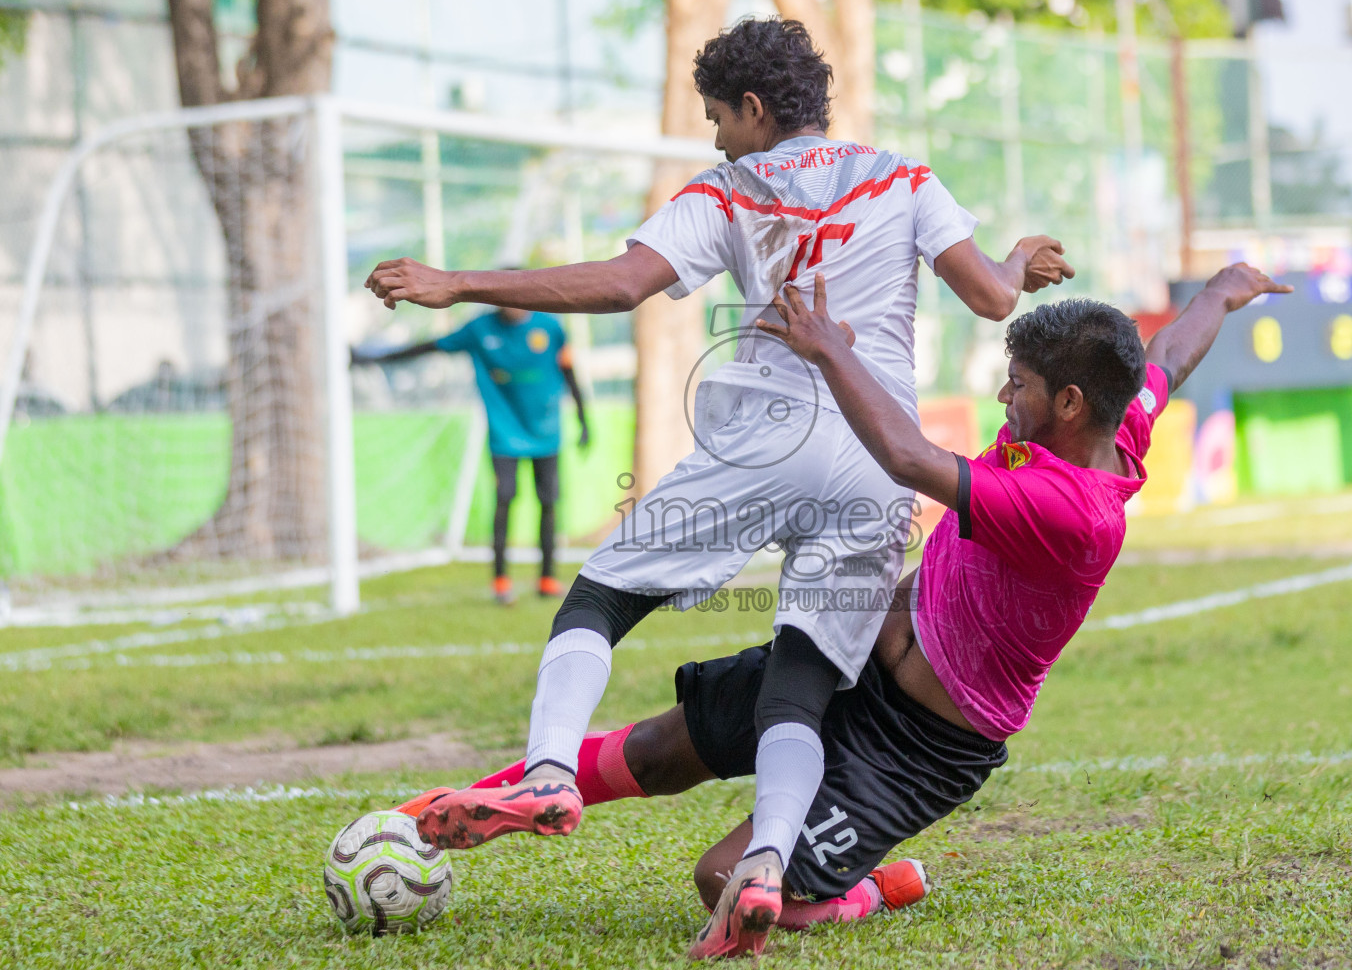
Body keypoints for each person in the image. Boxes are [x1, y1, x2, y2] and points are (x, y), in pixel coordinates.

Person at [365, 17, 1074, 951]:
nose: (713, 138)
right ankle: (768, 864)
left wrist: (460, 281)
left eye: (717, 118)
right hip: (876, 452)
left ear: (753, 107)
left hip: (763, 438)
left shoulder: (731, 187)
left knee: (599, 597)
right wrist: (1021, 257)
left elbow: (622, 285)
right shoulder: (905, 176)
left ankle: (546, 771)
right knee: (803, 678)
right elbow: (989, 295)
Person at [401, 264, 1291, 958]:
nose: (1001, 399)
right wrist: (1225, 289)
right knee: (662, 747)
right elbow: (1167, 357)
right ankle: (435, 818)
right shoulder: (1115, 422)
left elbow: (907, 459)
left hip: (919, 746)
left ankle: (862, 890)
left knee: (725, 876)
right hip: (853, 654)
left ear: (1067, 403)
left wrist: (831, 348)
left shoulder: (1075, 511)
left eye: (1015, 384)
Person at [353, 303, 590, 604]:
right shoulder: (480, 329)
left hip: (546, 432)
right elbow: (431, 346)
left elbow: (569, 371)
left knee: (548, 502)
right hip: (505, 433)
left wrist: (584, 418)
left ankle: (547, 577)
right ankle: (501, 580)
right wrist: (372, 358)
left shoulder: (551, 327)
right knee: (504, 498)